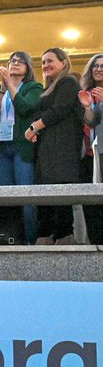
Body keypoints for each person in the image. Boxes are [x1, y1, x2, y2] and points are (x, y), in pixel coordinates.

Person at [0, 52, 42, 243]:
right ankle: (9, 238)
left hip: (22, 148)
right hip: (1, 149)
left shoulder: (33, 87)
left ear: (28, 67)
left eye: (20, 61)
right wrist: (2, 90)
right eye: (12, 61)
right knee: (3, 197)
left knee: (26, 197)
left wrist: (11, 86)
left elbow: (26, 108)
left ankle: (30, 240)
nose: (15, 64)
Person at [27, 48, 83, 244]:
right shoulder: (47, 89)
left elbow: (59, 109)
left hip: (63, 148)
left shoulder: (69, 82)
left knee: (61, 192)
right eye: (42, 62)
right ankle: (46, 235)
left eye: (50, 61)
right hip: (47, 148)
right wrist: (36, 130)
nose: (45, 65)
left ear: (63, 63)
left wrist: (34, 127)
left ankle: (63, 236)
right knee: (45, 192)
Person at [79, 53, 103, 244]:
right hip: (89, 154)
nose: (98, 69)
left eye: (102, 66)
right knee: (90, 200)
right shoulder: (85, 92)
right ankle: (95, 241)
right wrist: (88, 107)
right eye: (95, 66)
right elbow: (91, 121)